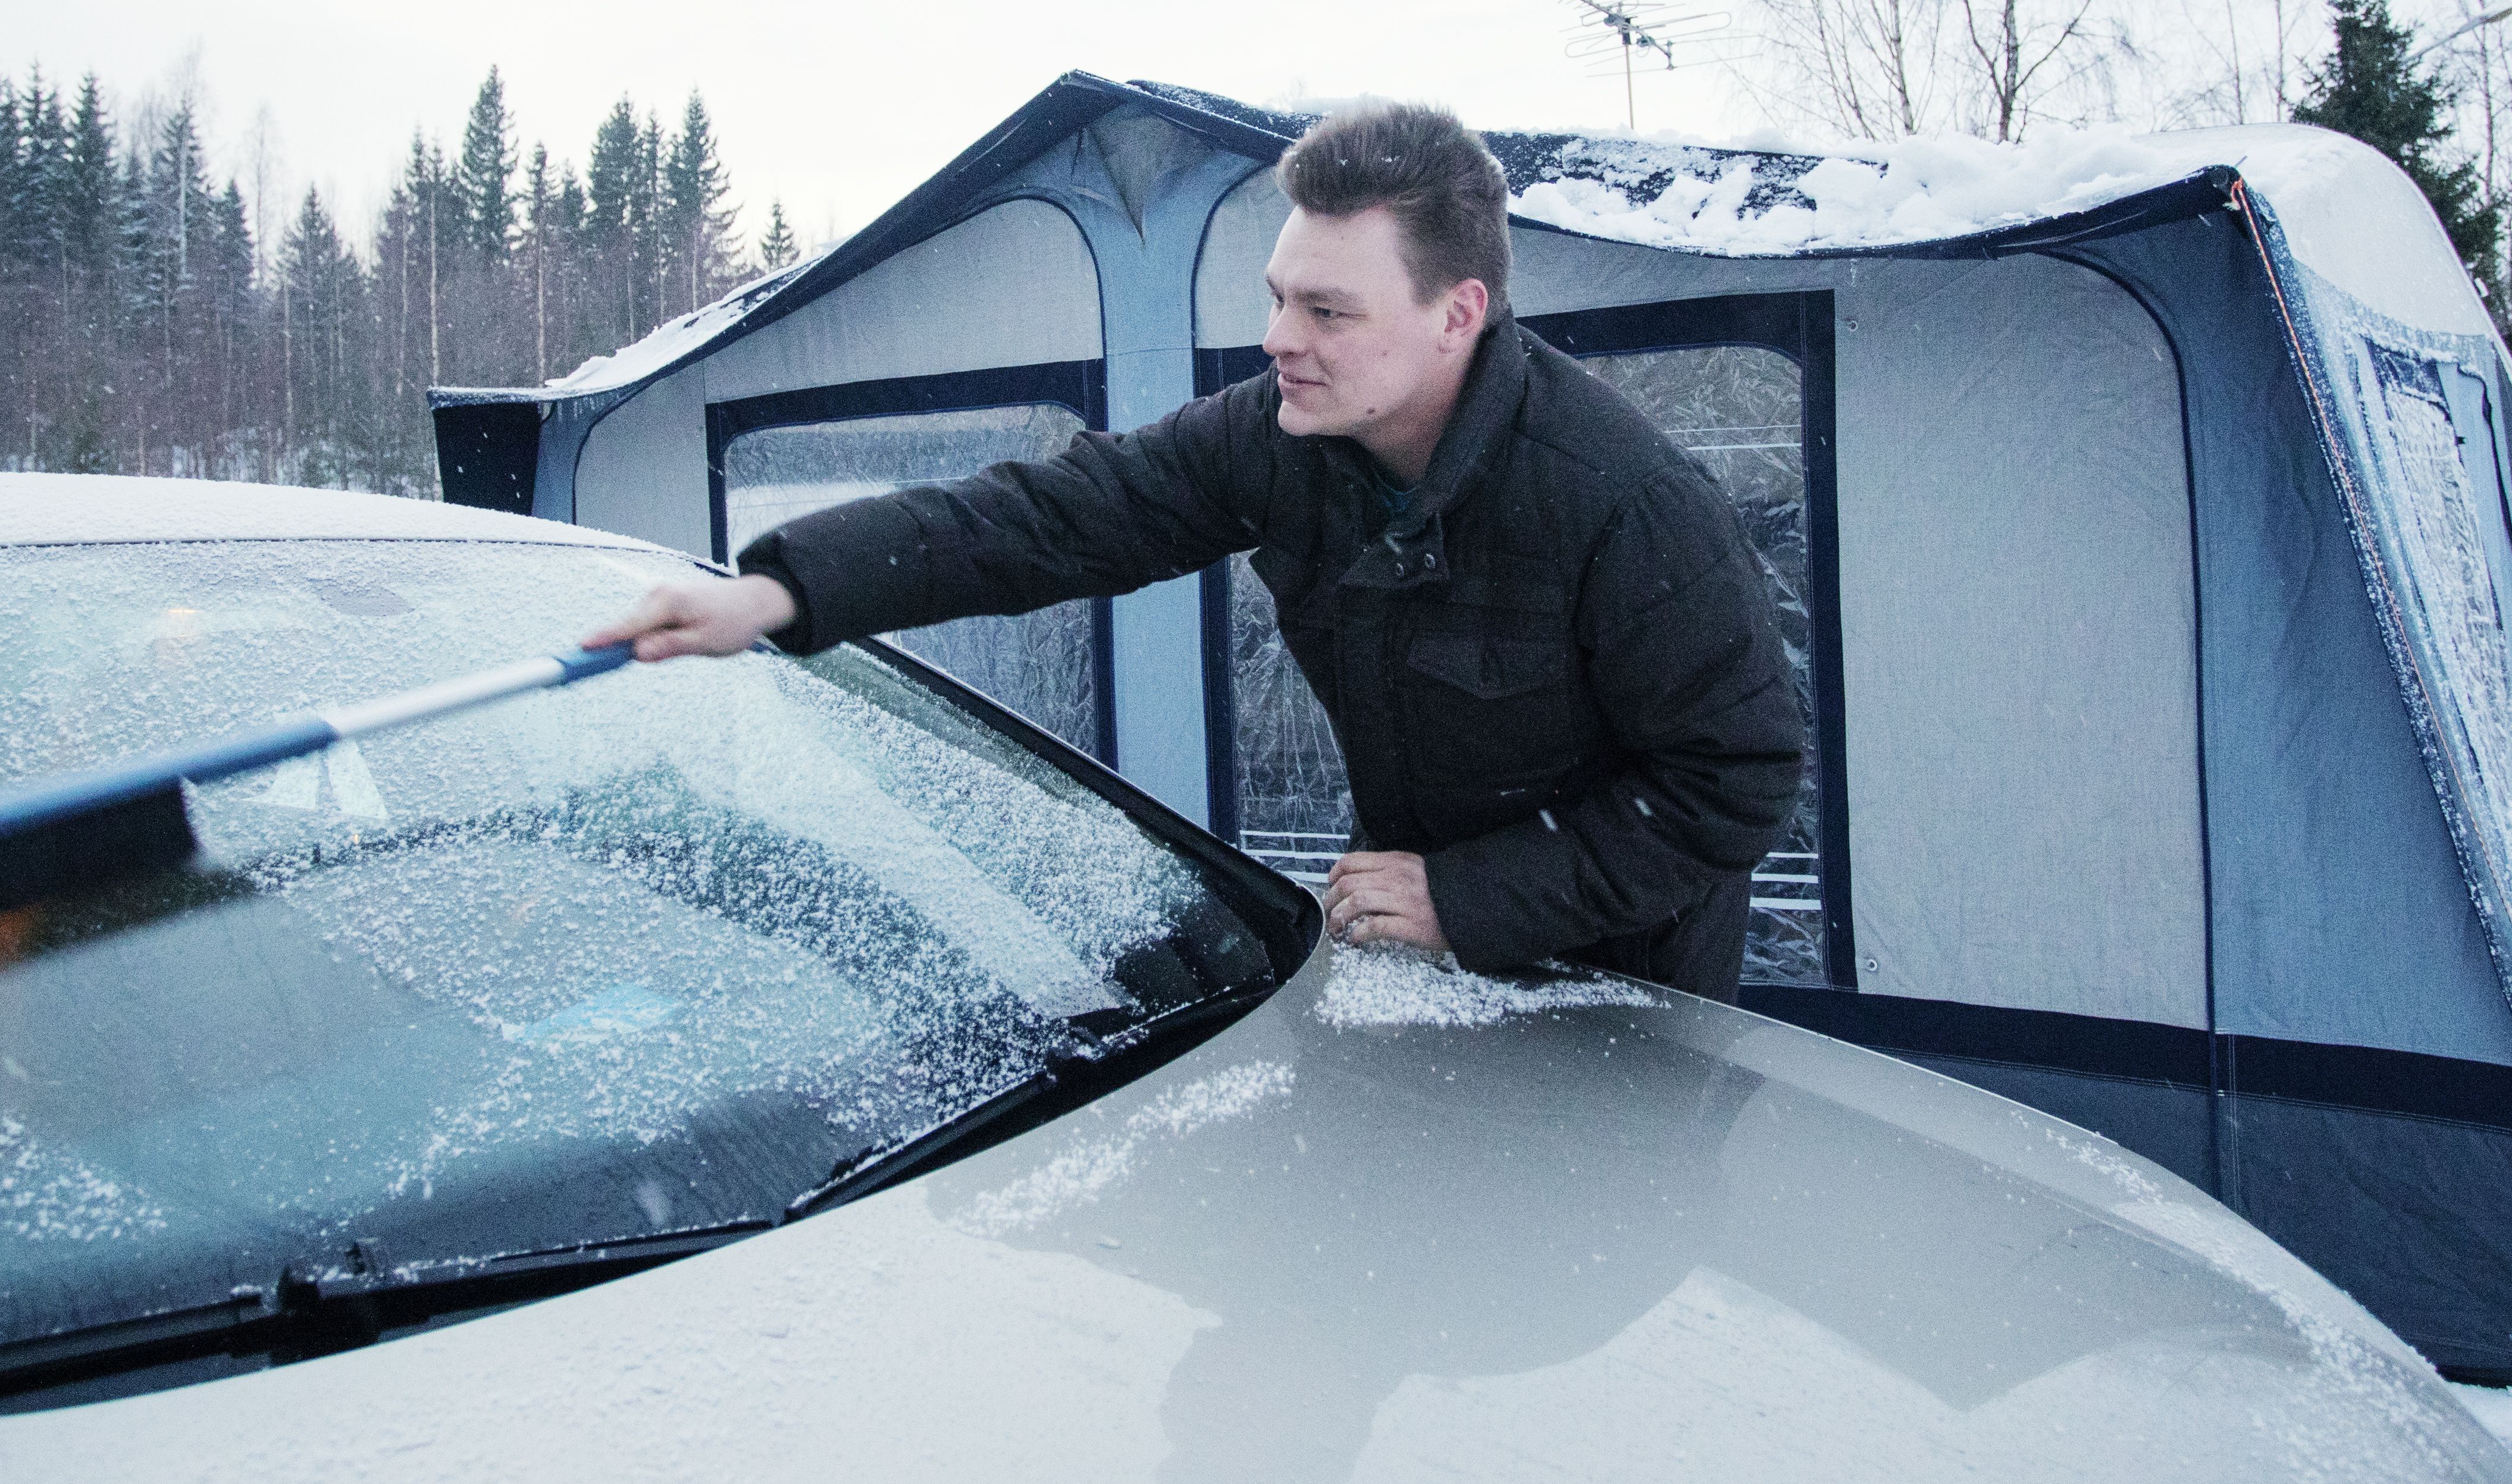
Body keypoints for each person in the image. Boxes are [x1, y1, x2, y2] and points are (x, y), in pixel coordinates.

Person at [584, 101, 1806, 1002]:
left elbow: (1731, 782)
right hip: (1423, 972)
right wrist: (788, 589)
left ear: (1457, 316)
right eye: (1279, 295)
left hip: (1627, 1005)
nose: (1277, 338)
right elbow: (1052, 517)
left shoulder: (1625, 504)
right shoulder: (1284, 442)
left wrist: (1470, 896)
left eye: (1327, 311)